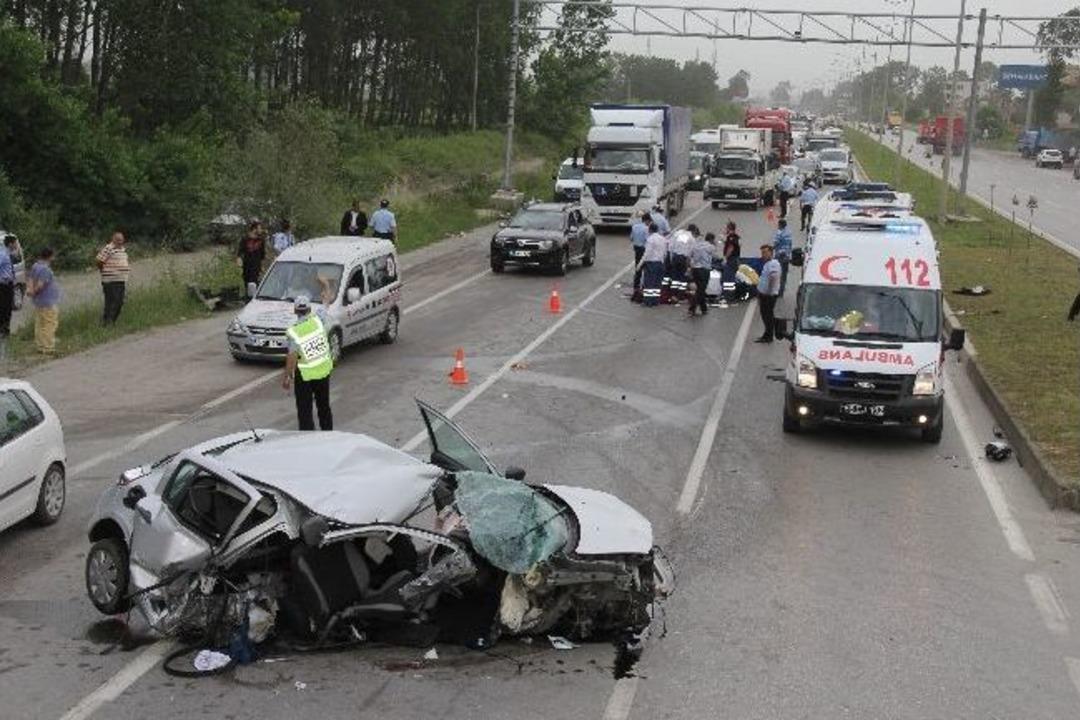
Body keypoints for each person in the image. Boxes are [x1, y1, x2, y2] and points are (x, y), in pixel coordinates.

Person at [282, 295, 334, 431]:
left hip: (305, 376)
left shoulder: (294, 331)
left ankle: (308, 440)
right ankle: (328, 435)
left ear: (295, 310)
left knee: (305, 411)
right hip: (323, 372)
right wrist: (326, 286)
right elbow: (326, 304)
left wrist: (287, 377)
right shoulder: (318, 320)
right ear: (309, 309)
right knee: (324, 406)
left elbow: (292, 356)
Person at [26, 247, 61, 355]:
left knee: (40, 324)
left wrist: (30, 290)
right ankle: (48, 347)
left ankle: (40, 346)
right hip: (47, 301)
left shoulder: (35, 265)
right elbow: (41, 285)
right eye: (53, 255)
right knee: (50, 324)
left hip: (38, 301)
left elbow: (30, 279)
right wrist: (34, 292)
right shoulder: (45, 269)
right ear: (50, 256)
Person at [95, 231, 129, 326]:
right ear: (113, 239)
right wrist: (103, 270)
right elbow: (99, 260)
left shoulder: (123, 249)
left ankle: (111, 321)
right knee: (111, 301)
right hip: (110, 280)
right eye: (118, 240)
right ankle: (107, 322)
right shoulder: (108, 248)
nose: (120, 242)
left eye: (121, 240)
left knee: (119, 301)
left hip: (121, 279)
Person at [754, 244, 782, 344]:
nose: (763, 254)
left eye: (765, 252)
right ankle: (767, 334)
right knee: (765, 315)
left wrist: (769, 291)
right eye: (762, 252)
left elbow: (773, 277)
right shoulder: (767, 263)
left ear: (771, 252)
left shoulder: (773, 263)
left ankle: (769, 336)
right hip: (764, 294)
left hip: (768, 295)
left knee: (767, 316)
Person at [637, 223, 667, 307]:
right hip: (660, 263)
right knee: (657, 283)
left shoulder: (650, 239)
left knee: (649, 283)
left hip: (651, 263)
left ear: (650, 230)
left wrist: (639, 264)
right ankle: (655, 301)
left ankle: (648, 302)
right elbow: (665, 253)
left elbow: (647, 253)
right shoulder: (663, 239)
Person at [688, 230, 715, 317]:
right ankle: (692, 308)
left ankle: (704, 309)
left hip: (695, 269)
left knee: (700, 289)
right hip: (704, 270)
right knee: (701, 290)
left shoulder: (697, 245)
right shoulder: (710, 246)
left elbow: (689, 256)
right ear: (711, 239)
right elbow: (714, 254)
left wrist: (689, 267)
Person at [236, 220, 266, 289]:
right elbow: (240, 252)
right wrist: (239, 260)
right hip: (247, 267)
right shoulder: (245, 239)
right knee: (247, 284)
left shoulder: (261, 240)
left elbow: (262, 254)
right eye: (260, 228)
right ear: (255, 229)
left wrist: (262, 266)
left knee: (256, 285)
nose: (261, 230)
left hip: (257, 267)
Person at [667, 226, 693, 302]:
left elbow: (670, 247)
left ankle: (673, 295)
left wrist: (671, 258)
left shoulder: (677, 234)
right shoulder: (690, 237)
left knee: (675, 277)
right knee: (682, 278)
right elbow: (690, 252)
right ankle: (680, 296)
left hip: (675, 257)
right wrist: (689, 264)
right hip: (683, 259)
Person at [0, 235, 16, 355]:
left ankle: (5, 330)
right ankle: (4, 331)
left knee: (9, 307)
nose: (16, 245)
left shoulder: (7, 254)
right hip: (3, 285)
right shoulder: (3, 254)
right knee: (4, 308)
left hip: (9, 284)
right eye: (15, 243)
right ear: (10, 243)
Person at [629, 212, 651, 291]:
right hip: (643, 248)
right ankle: (644, 285)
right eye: (649, 221)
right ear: (647, 220)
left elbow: (631, 238)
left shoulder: (634, 226)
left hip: (636, 248)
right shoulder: (646, 228)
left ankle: (636, 285)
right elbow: (647, 239)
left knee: (637, 266)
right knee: (645, 267)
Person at [772, 218, 793, 295]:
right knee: (784, 274)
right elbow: (790, 244)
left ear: (780, 225)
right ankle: (781, 291)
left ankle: (776, 291)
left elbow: (776, 243)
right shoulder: (789, 233)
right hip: (786, 256)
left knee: (777, 273)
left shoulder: (779, 233)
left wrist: (770, 249)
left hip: (779, 256)